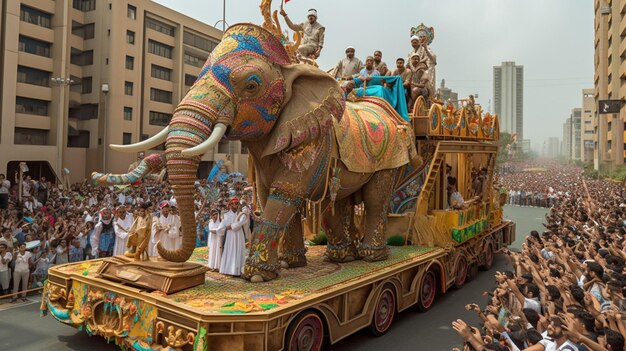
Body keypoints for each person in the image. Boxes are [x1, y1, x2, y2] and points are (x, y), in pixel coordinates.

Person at [219, 198, 247, 276]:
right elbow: (221, 227)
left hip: (239, 235)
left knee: (239, 250)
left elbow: (241, 223)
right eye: (234, 203)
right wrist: (225, 228)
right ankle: (229, 270)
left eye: (237, 203)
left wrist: (231, 226)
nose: (236, 205)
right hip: (230, 236)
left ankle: (239, 271)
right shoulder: (226, 215)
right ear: (230, 205)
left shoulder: (242, 214)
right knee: (230, 250)